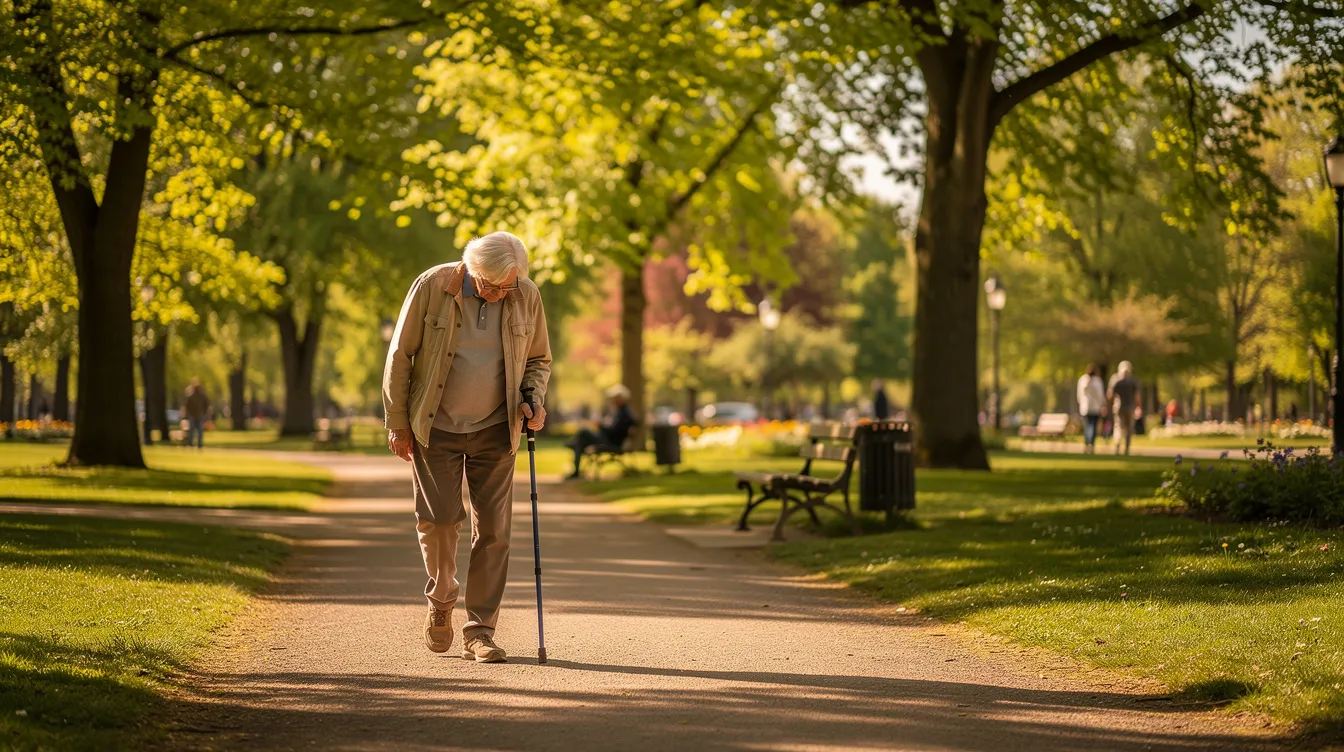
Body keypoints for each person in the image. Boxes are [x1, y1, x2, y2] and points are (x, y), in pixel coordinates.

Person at [382, 231, 552, 664]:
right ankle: (441, 600)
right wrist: (397, 422)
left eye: (507, 287)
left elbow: (538, 359)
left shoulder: (525, 294)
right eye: (492, 287)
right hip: (434, 426)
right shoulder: (433, 286)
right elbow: (401, 355)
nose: (500, 295)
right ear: (474, 271)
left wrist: (533, 398)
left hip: (497, 428)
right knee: (439, 520)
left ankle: (481, 630)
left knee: (494, 531)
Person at [564, 385, 636, 480]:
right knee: (581, 441)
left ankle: (573, 447)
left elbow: (614, 432)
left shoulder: (624, 414)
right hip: (607, 439)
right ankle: (575, 449)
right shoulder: (620, 412)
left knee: (583, 433)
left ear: (620, 399)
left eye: (614, 399)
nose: (611, 401)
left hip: (610, 443)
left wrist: (600, 425)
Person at [1107, 361, 1141, 456]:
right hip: (1130, 407)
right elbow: (1137, 396)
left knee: (1118, 426)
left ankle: (1117, 445)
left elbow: (1110, 394)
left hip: (1118, 407)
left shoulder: (1115, 380)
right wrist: (1138, 407)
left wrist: (1109, 405)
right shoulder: (1133, 381)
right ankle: (1126, 448)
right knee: (1128, 428)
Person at [1076, 364, 1105, 454]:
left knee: (1087, 426)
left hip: (1085, 407)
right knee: (1092, 425)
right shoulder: (1097, 381)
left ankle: (1086, 443)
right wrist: (1102, 405)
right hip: (1095, 407)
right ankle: (1091, 443)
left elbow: (1079, 394)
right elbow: (1100, 395)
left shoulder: (1082, 380)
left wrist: (1080, 403)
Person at [183, 378, 210, 449]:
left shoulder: (202, 396)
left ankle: (199, 444)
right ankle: (191, 444)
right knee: (193, 430)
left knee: (199, 430)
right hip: (193, 415)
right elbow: (187, 406)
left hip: (199, 415)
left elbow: (206, 404)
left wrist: (205, 413)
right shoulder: (191, 396)